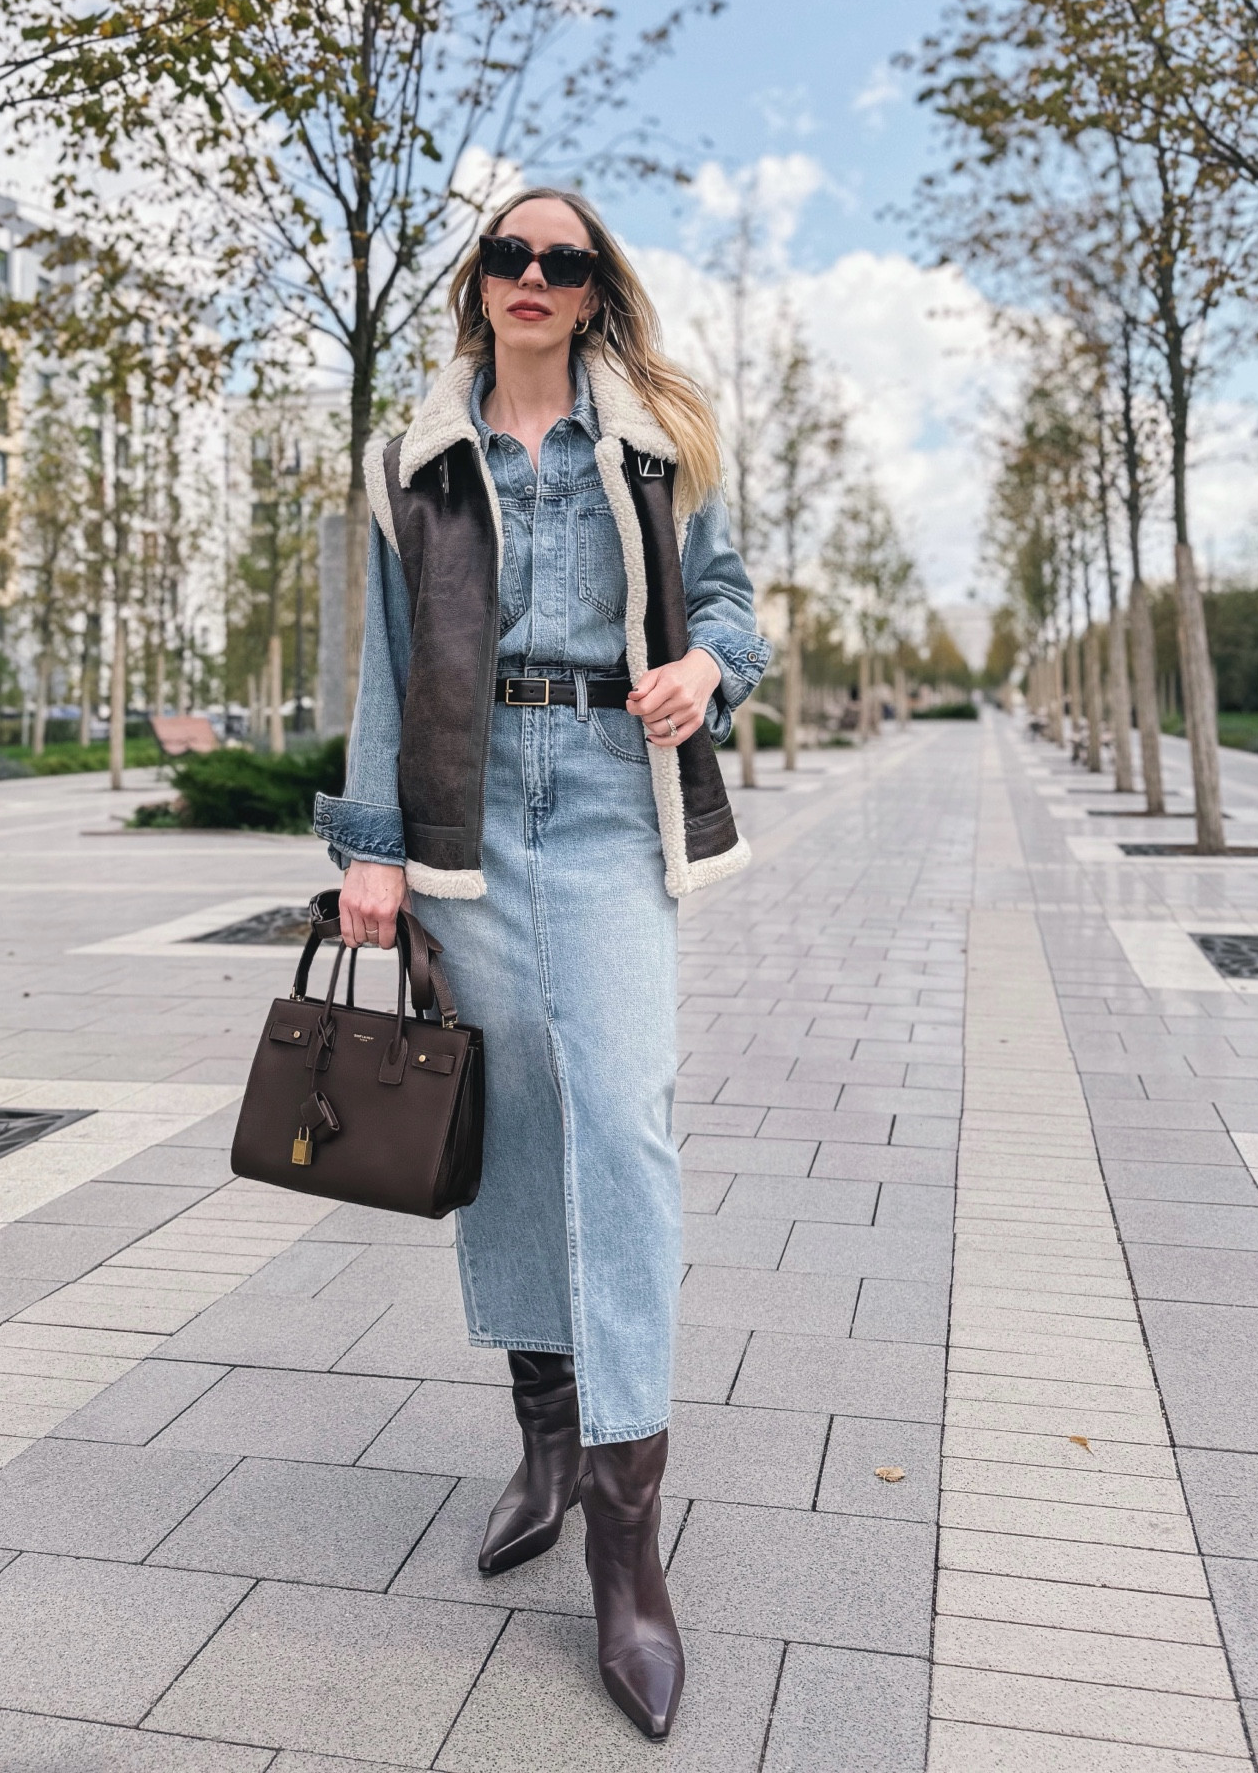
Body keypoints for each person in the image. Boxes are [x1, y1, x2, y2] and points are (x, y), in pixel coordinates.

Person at [314, 187, 769, 1741]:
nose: (531, 277)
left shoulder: (661, 438)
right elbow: (384, 661)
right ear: (480, 282)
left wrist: (709, 666)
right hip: (467, 813)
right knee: (506, 1124)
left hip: (607, 807)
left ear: (593, 292)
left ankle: (630, 1547)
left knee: (623, 1124)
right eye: (508, 255)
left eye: (561, 262)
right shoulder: (410, 461)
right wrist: (369, 848)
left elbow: (732, 601)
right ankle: (546, 1442)